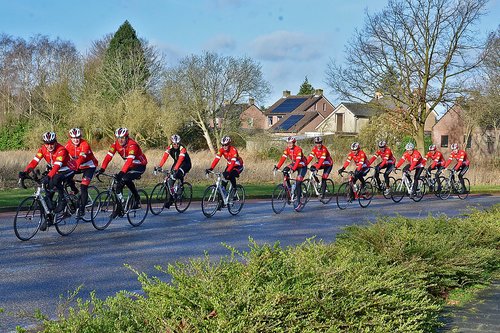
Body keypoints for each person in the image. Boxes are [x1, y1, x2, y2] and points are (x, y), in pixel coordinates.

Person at [19, 132, 75, 230]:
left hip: (67, 169)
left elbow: (57, 166)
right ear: (44, 143)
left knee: (55, 179)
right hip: (54, 170)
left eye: (52, 143)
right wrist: (25, 172)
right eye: (47, 143)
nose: (49, 146)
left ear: (55, 142)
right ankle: (49, 217)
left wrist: (48, 177)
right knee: (47, 193)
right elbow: (34, 161)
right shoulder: (42, 149)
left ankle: (63, 199)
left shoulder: (61, 150)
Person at [96, 128, 147, 213]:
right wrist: (102, 168)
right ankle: (120, 208)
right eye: (118, 137)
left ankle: (137, 198)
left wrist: (121, 173)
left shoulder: (132, 145)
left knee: (125, 178)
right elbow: (108, 157)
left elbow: (129, 160)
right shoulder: (115, 144)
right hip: (130, 166)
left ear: (127, 137)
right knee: (119, 184)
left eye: (123, 137)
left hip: (139, 166)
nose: (120, 140)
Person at [64, 128, 99, 217]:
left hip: (89, 166)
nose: (76, 139)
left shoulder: (85, 144)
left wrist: (74, 167)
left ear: (80, 137)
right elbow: (63, 157)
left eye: (78, 137)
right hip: (78, 166)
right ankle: (75, 192)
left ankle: (82, 209)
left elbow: (81, 158)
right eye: (73, 138)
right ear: (70, 138)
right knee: (65, 179)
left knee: (83, 187)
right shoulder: (68, 145)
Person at [155, 134, 192, 209]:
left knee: (177, 174)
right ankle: (170, 199)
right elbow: (165, 157)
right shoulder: (169, 148)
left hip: (185, 164)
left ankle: (181, 187)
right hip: (176, 162)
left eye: (177, 143)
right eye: (174, 144)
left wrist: (175, 170)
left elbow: (180, 159)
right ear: (172, 143)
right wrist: (159, 166)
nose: (176, 145)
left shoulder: (182, 149)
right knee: (169, 181)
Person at [274, 136, 307, 204]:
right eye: (288, 143)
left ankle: (299, 201)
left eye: (291, 143)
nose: (289, 144)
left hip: (302, 165)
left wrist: (293, 169)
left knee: (298, 182)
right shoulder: (287, 150)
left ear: (294, 143)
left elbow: (298, 161)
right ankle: (289, 189)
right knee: (285, 171)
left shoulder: (298, 149)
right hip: (294, 164)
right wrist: (277, 167)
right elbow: (283, 159)